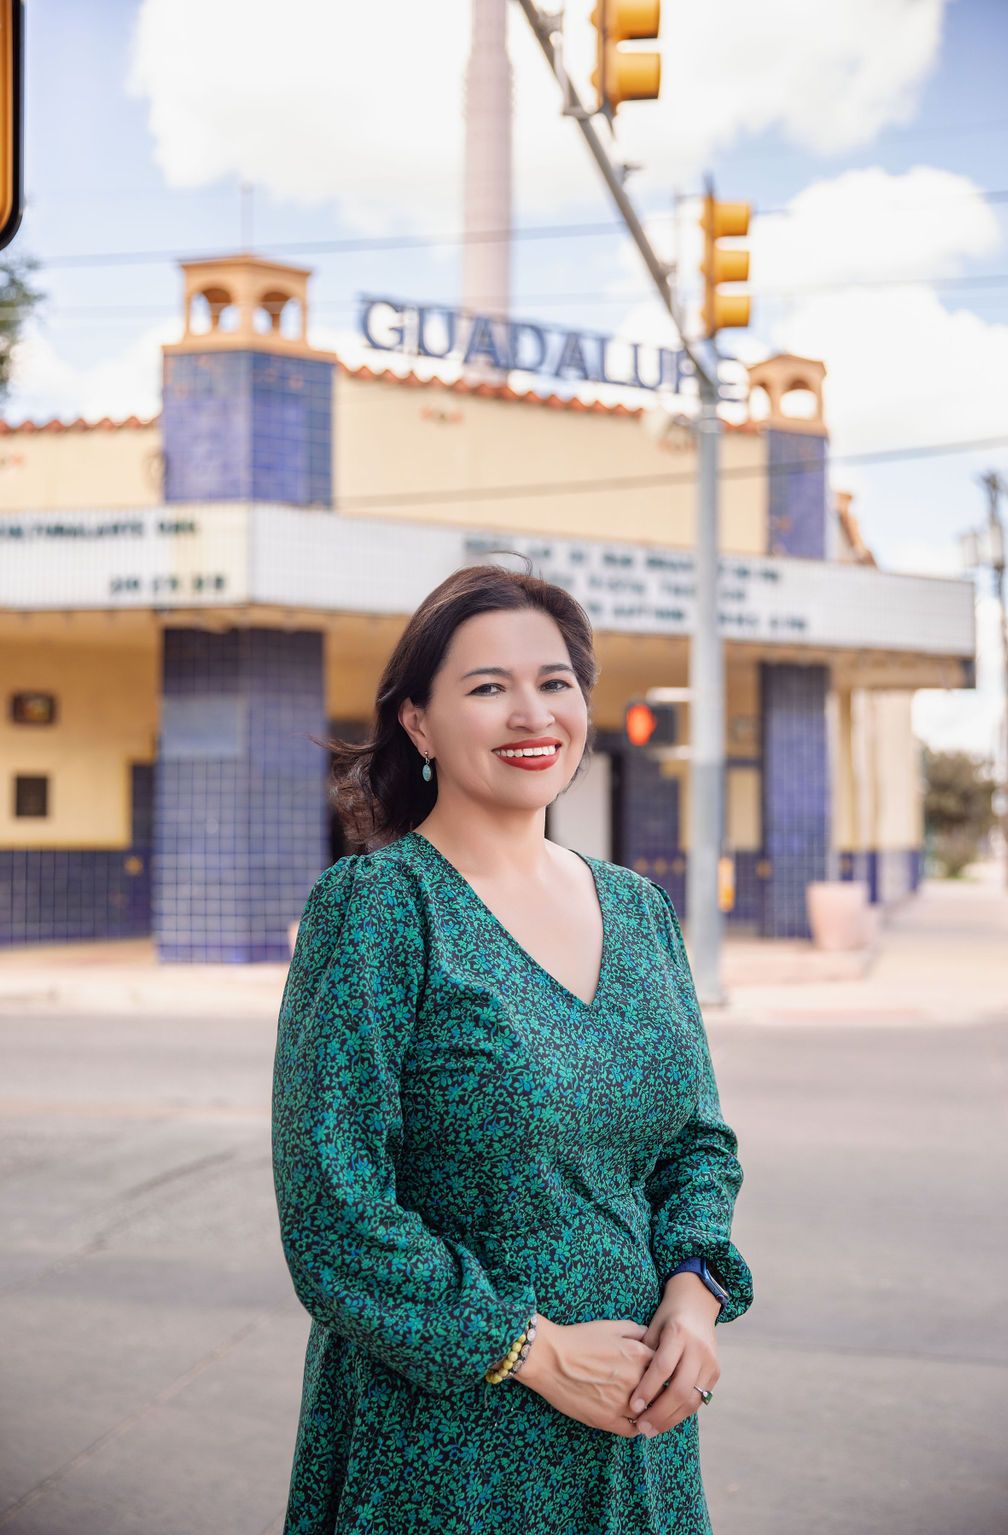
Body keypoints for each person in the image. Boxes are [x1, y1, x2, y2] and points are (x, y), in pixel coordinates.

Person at [271, 559, 754, 1534]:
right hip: (446, 1444)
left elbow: (695, 1140)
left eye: (554, 682)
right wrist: (533, 1350)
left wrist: (694, 1296)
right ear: (417, 721)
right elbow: (332, 1209)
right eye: (488, 687)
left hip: (637, 1432)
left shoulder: (635, 905)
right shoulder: (380, 907)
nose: (532, 714)